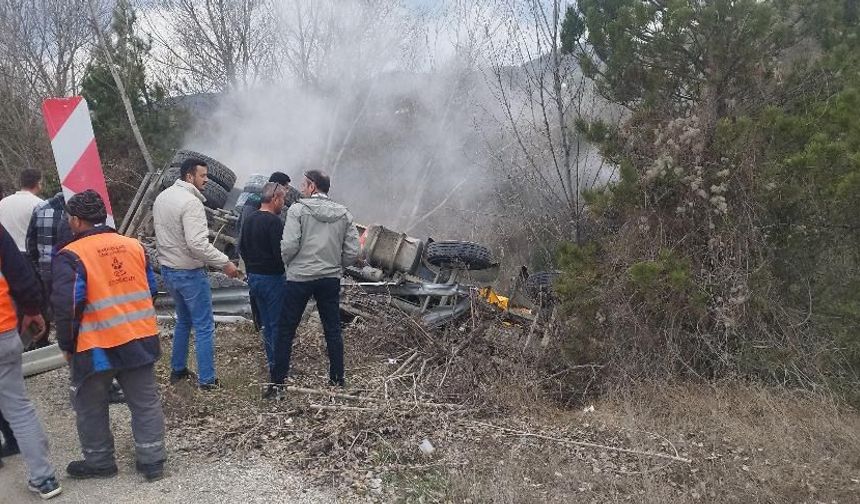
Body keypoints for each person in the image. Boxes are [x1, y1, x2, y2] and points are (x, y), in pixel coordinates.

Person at [52, 190, 166, 482]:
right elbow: (151, 289)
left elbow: (68, 307)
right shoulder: (134, 246)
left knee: (90, 405)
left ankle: (100, 461)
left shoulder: (71, 255)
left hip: (95, 346)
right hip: (139, 338)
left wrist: (67, 345)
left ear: (77, 221)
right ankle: (152, 461)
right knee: (145, 402)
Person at [153, 158, 239, 389]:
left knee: (184, 321)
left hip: (169, 270)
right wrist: (225, 263)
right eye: (203, 176)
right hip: (189, 273)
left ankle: (178, 370)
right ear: (189, 177)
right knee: (204, 326)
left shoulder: (163, 197)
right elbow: (197, 244)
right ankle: (207, 381)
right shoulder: (191, 203)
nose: (207, 180)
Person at [272, 170, 360, 390]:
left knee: (286, 330)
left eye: (304, 184)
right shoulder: (344, 214)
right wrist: (336, 264)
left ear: (312, 186)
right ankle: (337, 380)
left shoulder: (298, 210)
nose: (301, 188)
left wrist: (289, 263)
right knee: (332, 330)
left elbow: (290, 245)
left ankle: (277, 385)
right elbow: (353, 252)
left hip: (300, 277)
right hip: (329, 278)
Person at [0, 223, 61, 498]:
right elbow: (21, 274)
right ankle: (45, 478)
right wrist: (33, 309)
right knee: (19, 407)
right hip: (3, 333)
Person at [238, 182, 287, 395]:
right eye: (283, 200)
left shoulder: (248, 219)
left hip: (254, 279)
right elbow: (280, 254)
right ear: (275, 198)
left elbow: (241, 248)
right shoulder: (274, 223)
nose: (283, 204)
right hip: (272, 279)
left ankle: (273, 366)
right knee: (278, 327)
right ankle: (278, 379)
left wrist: (251, 269)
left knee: (267, 326)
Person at [23, 192, 73, 349]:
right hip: (74, 265)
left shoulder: (40, 207)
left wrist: (37, 267)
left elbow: (30, 241)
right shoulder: (77, 210)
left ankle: (50, 341)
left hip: (47, 268)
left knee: (53, 305)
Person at [235, 172, 299, 247]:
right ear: (277, 187)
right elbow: (247, 227)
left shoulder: (259, 199)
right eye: (286, 188)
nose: (287, 192)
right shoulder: (259, 201)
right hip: (250, 249)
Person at [0, 169, 44, 252]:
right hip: (27, 254)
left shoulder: (3, 202)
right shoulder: (40, 205)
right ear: (38, 184)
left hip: (5, 253)